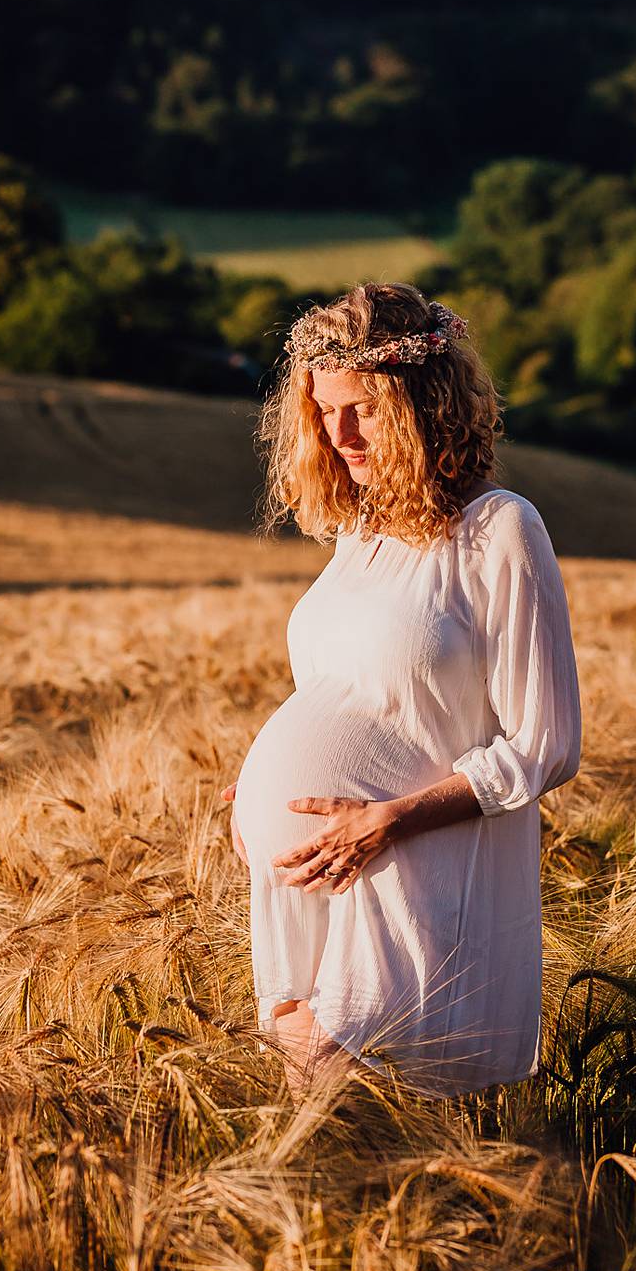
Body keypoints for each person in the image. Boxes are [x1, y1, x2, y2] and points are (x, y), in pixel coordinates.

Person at [222, 282, 582, 1100]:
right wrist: (258, 789)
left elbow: (546, 743)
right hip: (312, 882)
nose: (339, 433)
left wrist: (389, 817)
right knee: (334, 1166)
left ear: (426, 403)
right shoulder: (358, 536)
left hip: (412, 883)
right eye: (323, 412)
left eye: (365, 411)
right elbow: (354, 694)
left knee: (372, 1112)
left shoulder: (499, 531)